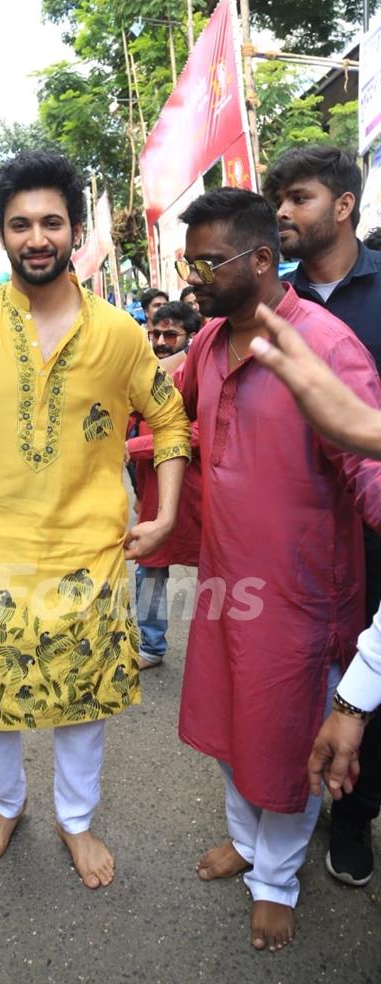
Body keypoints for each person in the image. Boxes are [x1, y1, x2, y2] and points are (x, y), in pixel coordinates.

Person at [0, 150, 191, 889]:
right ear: (2, 233)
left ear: (73, 232)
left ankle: (76, 819)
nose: (36, 237)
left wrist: (164, 516)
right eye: (20, 225)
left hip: (87, 552)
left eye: (50, 223)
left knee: (82, 702)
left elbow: (170, 421)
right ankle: (6, 806)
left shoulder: (121, 334)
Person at [174, 186, 381, 953]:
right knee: (234, 728)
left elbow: (368, 465)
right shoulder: (208, 342)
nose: (192, 277)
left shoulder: (325, 347)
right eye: (186, 262)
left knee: (290, 738)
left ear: (261, 260)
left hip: (301, 598)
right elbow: (171, 423)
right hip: (229, 586)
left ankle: (277, 879)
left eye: (205, 263)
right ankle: (247, 842)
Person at [264, 145, 381, 887]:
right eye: (277, 199)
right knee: (297, 674)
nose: (281, 212)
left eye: (299, 197)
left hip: (373, 531)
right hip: (296, 533)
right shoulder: (268, 303)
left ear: (342, 205)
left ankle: (352, 817)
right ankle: (283, 813)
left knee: (367, 677)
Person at [249, 305, 381, 801]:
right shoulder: (231, 335)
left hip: (338, 575)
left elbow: (368, 476)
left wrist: (362, 434)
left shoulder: (332, 342)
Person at [127, 301, 202, 669]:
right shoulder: (145, 370)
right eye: (154, 333)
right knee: (149, 569)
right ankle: (151, 647)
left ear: (191, 336)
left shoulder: (202, 367)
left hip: (199, 493)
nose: (159, 341)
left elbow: (201, 431)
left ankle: (222, 652)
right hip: (153, 489)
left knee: (220, 574)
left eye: (169, 335)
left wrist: (133, 447)